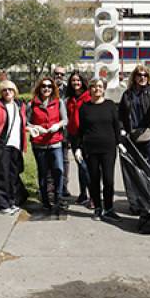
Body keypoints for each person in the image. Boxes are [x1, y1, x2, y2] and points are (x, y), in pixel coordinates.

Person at [74, 78, 122, 221]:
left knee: (108, 180)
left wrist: (119, 143)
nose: (97, 89)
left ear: (104, 88)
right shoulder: (84, 107)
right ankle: (98, 208)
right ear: (90, 89)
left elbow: (116, 126)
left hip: (108, 148)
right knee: (94, 180)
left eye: (100, 86)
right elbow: (80, 130)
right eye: (94, 87)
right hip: (91, 148)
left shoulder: (110, 105)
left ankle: (109, 208)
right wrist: (78, 148)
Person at [0, 80, 27, 215]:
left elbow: (22, 125)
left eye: (10, 90)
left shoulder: (19, 106)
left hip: (16, 146)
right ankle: (2, 205)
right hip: (2, 145)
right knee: (2, 176)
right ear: (1, 92)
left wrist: (32, 129)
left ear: (15, 91)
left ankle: (11, 201)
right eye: (5, 90)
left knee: (13, 175)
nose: (8, 92)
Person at [27, 77, 68, 214]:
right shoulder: (32, 104)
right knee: (43, 173)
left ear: (53, 89)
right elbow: (26, 123)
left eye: (50, 87)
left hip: (55, 142)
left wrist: (58, 125)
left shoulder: (58, 102)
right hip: (39, 144)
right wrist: (36, 127)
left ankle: (58, 198)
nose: (46, 89)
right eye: (44, 86)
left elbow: (65, 120)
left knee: (59, 171)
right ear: (39, 88)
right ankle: (45, 201)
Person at [118, 64, 150, 172]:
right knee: (137, 168)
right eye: (139, 75)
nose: (142, 77)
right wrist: (122, 128)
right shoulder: (127, 94)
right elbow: (121, 114)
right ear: (134, 77)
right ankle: (141, 189)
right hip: (133, 135)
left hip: (149, 134)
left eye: (145, 75)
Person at [65, 71, 92, 207]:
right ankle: (83, 194)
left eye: (78, 80)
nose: (76, 83)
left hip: (87, 137)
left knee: (87, 167)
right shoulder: (70, 99)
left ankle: (93, 196)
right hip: (75, 138)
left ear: (83, 82)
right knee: (81, 167)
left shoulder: (88, 97)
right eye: (73, 81)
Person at [53, 65, 71, 198]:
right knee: (51, 159)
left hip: (65, 130)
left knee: (64, 159)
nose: (59, 76)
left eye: (62, 74)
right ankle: (51, 188)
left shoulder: (68, 91)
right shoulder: (46, 88)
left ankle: (64, 187)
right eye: (57, 74)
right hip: (50, 129)